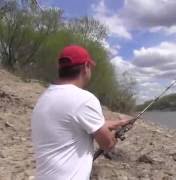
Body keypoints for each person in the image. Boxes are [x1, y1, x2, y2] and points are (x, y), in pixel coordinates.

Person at [31, 45, 129, 180]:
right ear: (85, 66)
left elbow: (70, 124)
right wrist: (115, 136)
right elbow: (107, 144)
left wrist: (116, 123)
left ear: (60, 68)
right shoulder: (84, 99)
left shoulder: (44, 98)